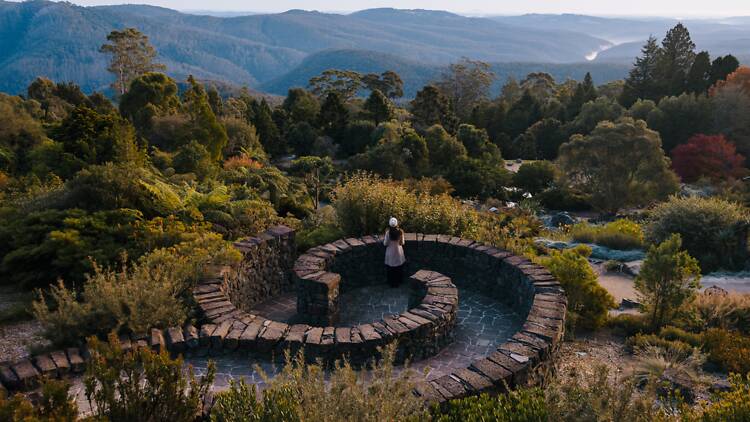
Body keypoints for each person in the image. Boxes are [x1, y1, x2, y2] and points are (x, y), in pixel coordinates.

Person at [383, 217, 405, 287]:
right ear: (397, 224)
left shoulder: (388, 233)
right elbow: (402, 243)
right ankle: (398, 282)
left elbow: (385, 243)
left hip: (390, 252)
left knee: (390, 269)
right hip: (398, 252)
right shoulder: (401, 232)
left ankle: (391, 283)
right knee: (398, 268)